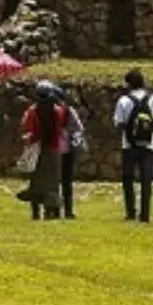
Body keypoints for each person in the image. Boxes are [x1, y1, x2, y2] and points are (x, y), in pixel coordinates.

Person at [113, 69, 153, 223]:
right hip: (149, 145)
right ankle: (145, 214)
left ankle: (130, 212)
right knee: (146, 180)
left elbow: (118, 123)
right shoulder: (152, 99)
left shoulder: (123, 100)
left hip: (128, 145)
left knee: (128, 179)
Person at [18, 82, 69, 220]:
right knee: (52, 182)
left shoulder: (32, 110)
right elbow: (63, 123)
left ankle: (35, 213)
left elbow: (25, 127)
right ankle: (51, 211)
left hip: (36, 148)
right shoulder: (58, 110)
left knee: (35, 181)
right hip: (53, 148)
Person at [58, 84, 88, 220]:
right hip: (67, 148)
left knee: (52, 181)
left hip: (52, 149)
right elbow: (79, 128)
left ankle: (52, 209)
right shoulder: (69, 111)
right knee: (67, 181)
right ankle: (68, 210)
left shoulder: (49, 110)